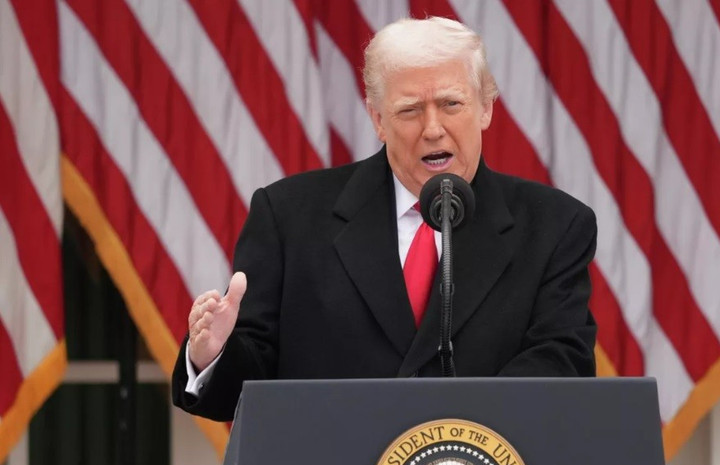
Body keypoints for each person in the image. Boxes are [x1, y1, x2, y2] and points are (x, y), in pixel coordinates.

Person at [172, 17, 597, 422]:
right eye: (410, 110)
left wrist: (457, 430)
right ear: (378, 119)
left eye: (451, 104)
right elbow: (249, 385)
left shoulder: (555, 226)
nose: (433, 129)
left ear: (485, 108)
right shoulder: (289, 216)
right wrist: (211, 353)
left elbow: (562, 362)